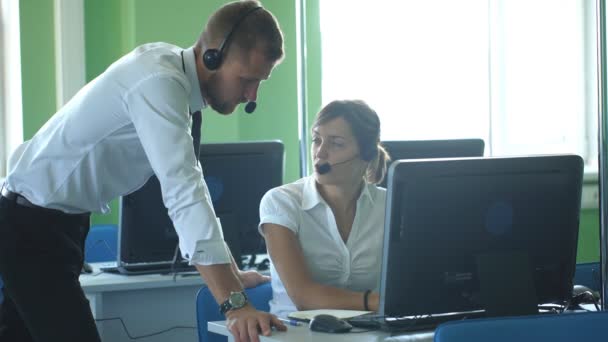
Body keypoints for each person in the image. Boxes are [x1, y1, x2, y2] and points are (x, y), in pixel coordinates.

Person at [0, 1, 286, 341]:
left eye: (260, 83)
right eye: (247, 79)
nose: (251, 96)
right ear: (212, 56)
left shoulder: (177, 86)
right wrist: (235, 304)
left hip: (57, 222)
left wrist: (231, 275)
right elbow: (184, 193)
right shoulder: (159, 82)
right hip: (32, 226)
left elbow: (196, 194)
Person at [259, 100, 391, 318]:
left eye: (336, 144)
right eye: (316, 140)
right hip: (295, 334)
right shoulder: (281, 202)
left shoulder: (388, 205)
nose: (320, 153)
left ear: (366, 153)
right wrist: (379, 301)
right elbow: (304, 298)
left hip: (368, 332)